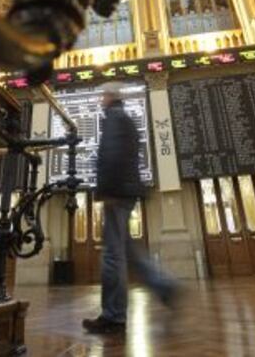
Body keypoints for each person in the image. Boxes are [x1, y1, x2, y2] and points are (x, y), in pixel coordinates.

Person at [82, 82, 179, 335]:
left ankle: (113, 316)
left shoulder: (114, 118)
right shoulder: (123, 117)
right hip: (126, 190)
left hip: (117, 191)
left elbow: (112, 155)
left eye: (102, 95)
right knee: (127, 250)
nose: (100, 99)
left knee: (112, 255)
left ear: (110, 96)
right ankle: (165, 287)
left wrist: (107, 190)